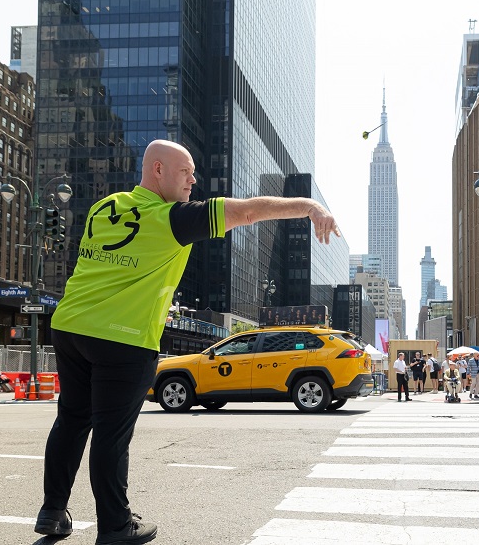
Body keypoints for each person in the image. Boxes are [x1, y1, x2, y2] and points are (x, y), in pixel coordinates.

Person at [35, 139, 341, 545]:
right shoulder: (172, 218)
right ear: (158, 170)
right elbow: (248, 211)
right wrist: (309, 206)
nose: (193, 180)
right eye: (186, 172)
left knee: (72, 420)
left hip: (71, 324)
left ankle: (53, 511)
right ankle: (115, 526)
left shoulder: (104, 207)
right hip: (122, 337)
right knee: (111, 434)